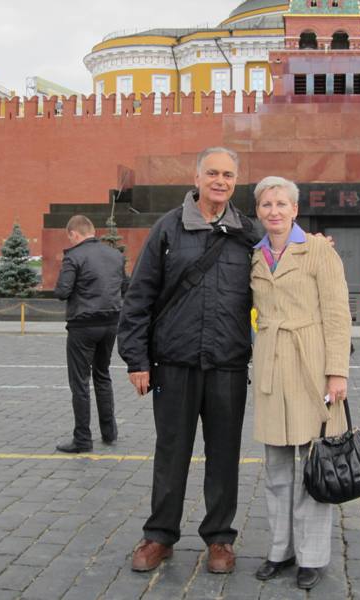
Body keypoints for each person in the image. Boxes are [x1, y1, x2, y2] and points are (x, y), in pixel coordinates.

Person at [117, 147, 261, 574]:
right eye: (213, 173)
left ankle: (219, 538)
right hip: (174, 363)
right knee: (171, 452)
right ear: (196, 177)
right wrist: (136, 360)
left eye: (228, 175)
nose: (220, 181)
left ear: (236, 182)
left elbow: (287, 248)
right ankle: (160, 535)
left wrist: (313, 243)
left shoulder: (247, 233)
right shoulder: (168, 229)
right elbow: (138, 297)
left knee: (224, 455)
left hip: (228, 364)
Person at [249, 176, 350, 591]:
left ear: (295, 208)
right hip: (271, 363)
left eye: (281, 204)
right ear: (258, 211)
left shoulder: (318, 251)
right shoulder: (253, 256)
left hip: (311, 364)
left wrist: (337, 371)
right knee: (275, 468)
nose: (273, 211)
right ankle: (280, 550)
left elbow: (337, 313)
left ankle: (311, 557)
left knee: (314, 467)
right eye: (266, 204)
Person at [53, 215, 127, 453]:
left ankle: (83, 439)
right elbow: (125, 286)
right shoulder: (115, 255)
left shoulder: (73, 256)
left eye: (70, 237)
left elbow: (62, 292)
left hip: (83, 325)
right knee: (103, 375)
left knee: (80, 383)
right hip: (111, 323)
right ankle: (109, 432)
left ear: (74, 234)